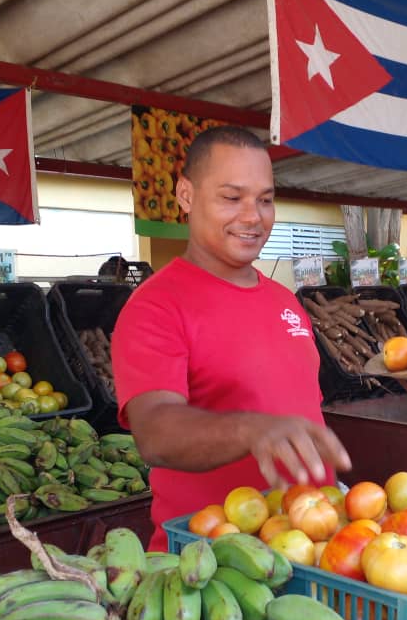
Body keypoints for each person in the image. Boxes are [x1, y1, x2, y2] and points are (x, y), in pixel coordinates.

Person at [112, 125, 352, 550]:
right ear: (186, 195)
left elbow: (296, 407)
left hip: (309, 546)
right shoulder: (155, 306)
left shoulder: (286, 301)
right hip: (212, 563)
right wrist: (252, 430)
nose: (252, 216)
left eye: (265, 199)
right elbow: (155, 433)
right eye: (231, 197)